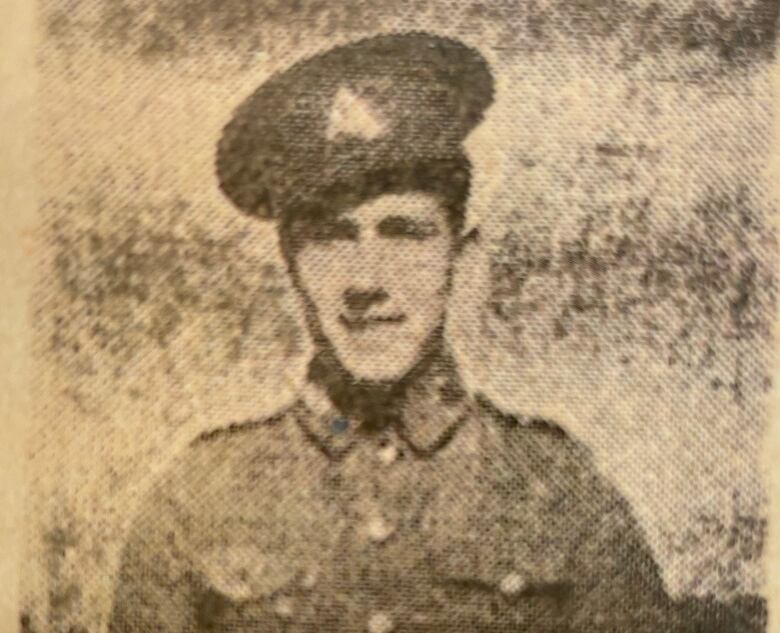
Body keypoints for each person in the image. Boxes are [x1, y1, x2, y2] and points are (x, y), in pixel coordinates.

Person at [108, 32, 673, 632]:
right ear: (292, 267)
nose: (365, 282)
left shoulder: (560, 491)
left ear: (463, 259)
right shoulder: (201, 496)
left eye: (404, 233)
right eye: (329, 238)